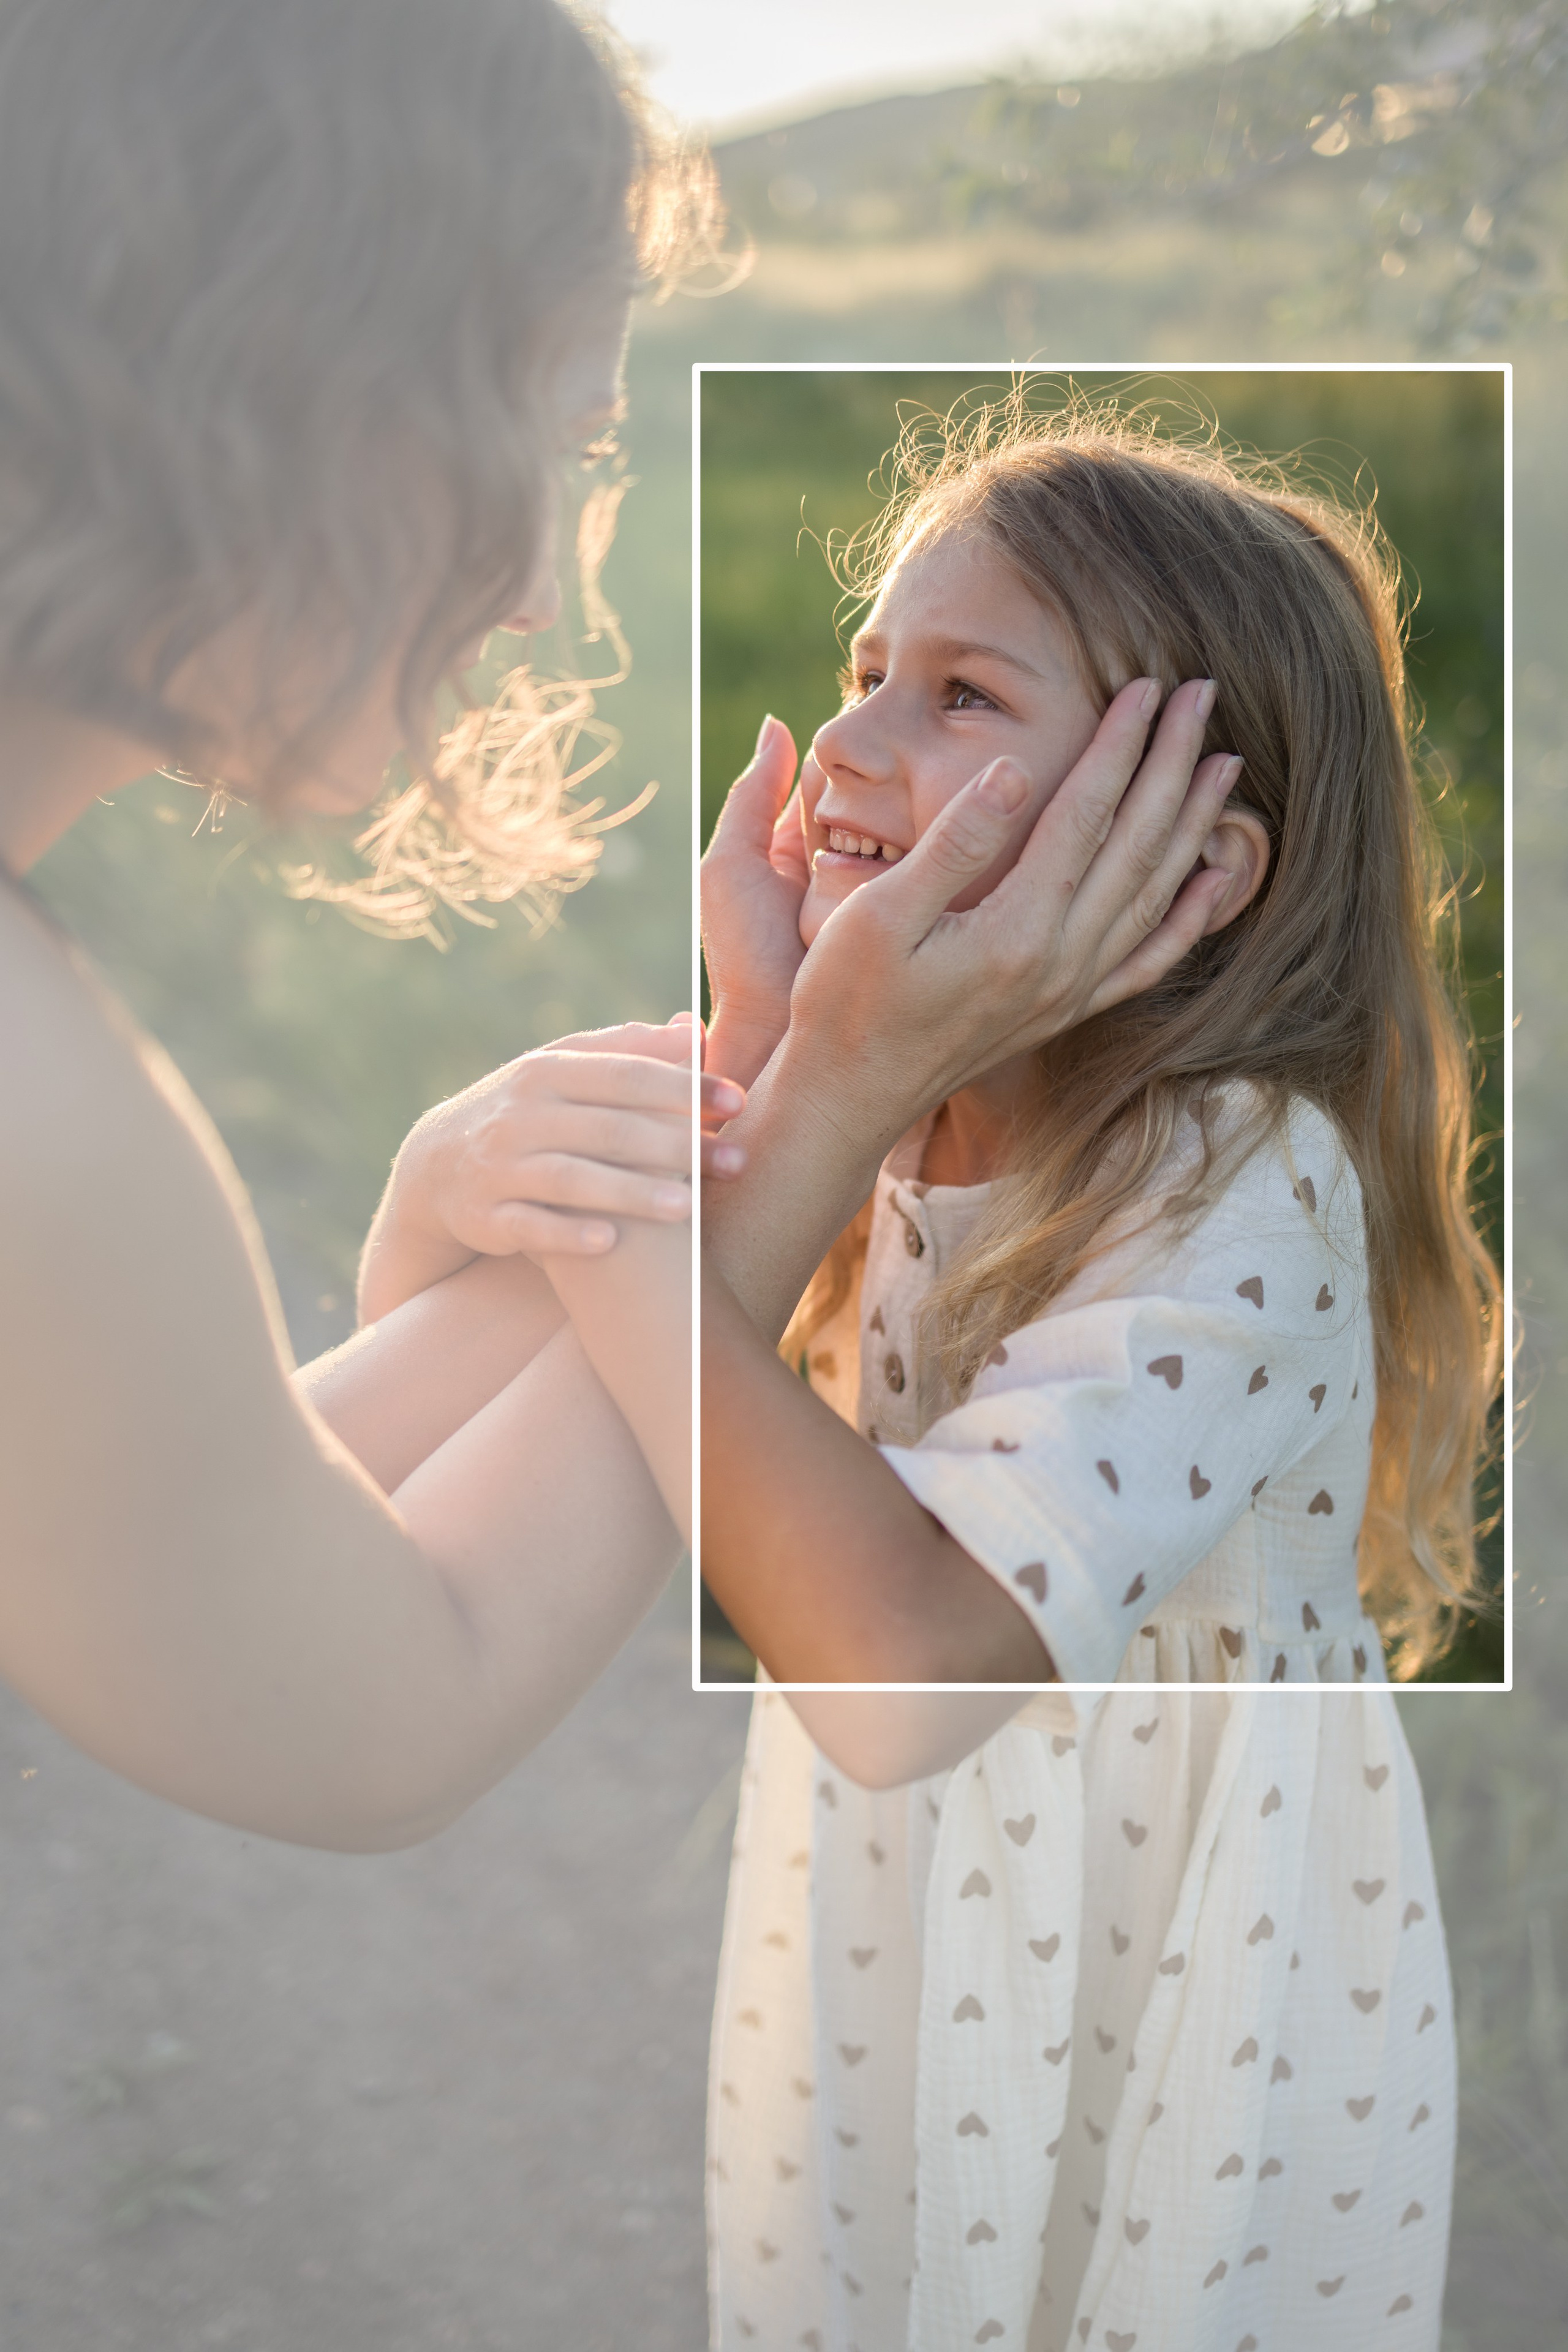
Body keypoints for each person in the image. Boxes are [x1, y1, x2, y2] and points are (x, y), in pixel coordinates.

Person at [698, 396, 1501, 2350]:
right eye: (867, 674)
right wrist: (767, 1054)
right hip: (924, 1934)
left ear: (1188, 866)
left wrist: (661, 1218)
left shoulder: (1242, 1177)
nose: (852, 745)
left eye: (965, 696)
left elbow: (898, 1665)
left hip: (1187, 1986)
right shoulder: (903, 1096)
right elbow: (660, 1439)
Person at [0, 0, 726, 1853]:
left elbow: (153, 1525)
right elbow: (389, 1700)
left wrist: (540, 1248)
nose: (541, 591)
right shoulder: (38, 1111)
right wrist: (798, 1167)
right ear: (299, 380)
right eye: (541, 444)